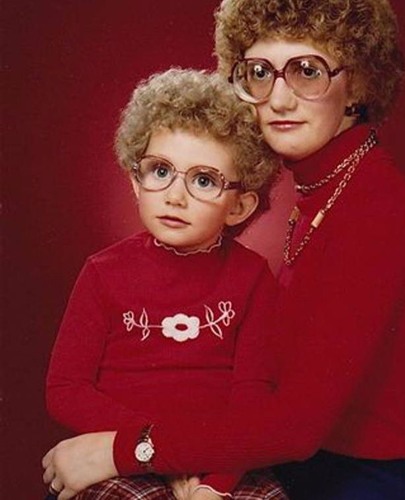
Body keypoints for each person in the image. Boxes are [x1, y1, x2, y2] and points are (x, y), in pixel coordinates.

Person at [42, 0, 405, 498]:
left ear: (359, 85)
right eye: (259, 72)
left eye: (307, 71)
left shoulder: (382, 210)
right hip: (292, 467)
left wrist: (123, 449)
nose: (278, 100)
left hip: (371, 483)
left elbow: (293, 425)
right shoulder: (320, 194)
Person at [43, 67, 287, 500]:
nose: (175, 195)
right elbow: (66, 390)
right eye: (160, 171)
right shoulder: (103, 272)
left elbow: (252, 402)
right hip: (120, 456)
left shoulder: (252, 278)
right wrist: (153, 449)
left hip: (222, 464)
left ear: (239, 206)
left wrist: (215, 486)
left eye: (204, 180)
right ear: (136, 181)